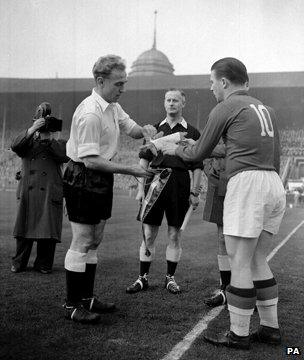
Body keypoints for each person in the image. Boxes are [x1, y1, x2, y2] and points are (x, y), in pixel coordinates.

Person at [161, 58, 286, 349]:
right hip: (272, 183)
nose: (211, 88)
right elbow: (274, 156)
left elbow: (197, 153)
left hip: (248, 184)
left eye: (211, 82)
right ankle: (270, 329)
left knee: (240, 262)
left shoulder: (226, 106)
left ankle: (238, 334)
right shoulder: (265, 108)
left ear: (225, 82)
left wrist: (173, 146)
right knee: (258, 260)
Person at [62, 54, 157, 324]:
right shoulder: (90, 113)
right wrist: (132, 170)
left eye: (124, 83)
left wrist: (147, 130)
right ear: (101, 81)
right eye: (118, 84)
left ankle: (87, 297)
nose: (122, 89)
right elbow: (91, 161)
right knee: (82, 239)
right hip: (82, 175)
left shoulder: (112, 105)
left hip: (100, 175)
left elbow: (132, 128)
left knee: (95, 240)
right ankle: (72, 304)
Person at [126, 89, 202, 295]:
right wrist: (140, 189)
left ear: (183, 103)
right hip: (155, 183)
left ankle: (170, 278)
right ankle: (143, 278)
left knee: (174, 234)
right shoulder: (153, 130)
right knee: (149, 233)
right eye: (168, 100)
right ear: (164, 103)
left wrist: (195, 191)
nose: (171, 103)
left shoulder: (192, 132)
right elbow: (143, 160)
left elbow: (197, 166)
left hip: (179, 183)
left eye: (175, 100)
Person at [11, 109, 68, 274]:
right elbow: (15, 145)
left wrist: (47, 140)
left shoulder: (59, 144)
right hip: (29, 193)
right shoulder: (26, 144)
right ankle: (18, 262)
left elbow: (65, 155)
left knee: (47, 231)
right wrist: (32, 129)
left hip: (49, 192)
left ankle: (43, 264)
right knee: (23, 229)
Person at [202, 142, 231, 307]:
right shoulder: (215, 122)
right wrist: (209, 171)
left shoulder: (239, 122)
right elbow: (203, 155)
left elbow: (230, 149)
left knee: (240, 239)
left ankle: (243, 289)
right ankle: (225, 289)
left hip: (237, 182)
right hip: (217, 183)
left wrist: (201, 146)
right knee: (222, 238)